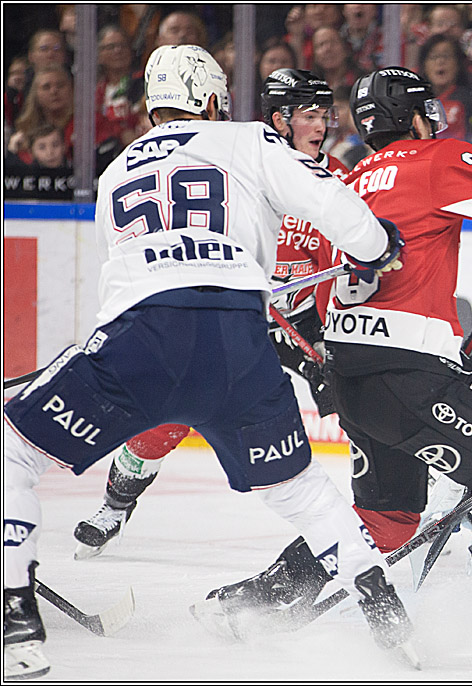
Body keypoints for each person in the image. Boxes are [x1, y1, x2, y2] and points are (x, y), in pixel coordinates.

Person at [2, 46, 413, 681]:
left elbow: (132, 272)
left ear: (149, 104)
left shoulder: (113, 173)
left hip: (141, 338)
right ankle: (392, 625)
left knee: (12, 449)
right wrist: (378, 244)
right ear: (216, 101)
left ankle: (16, 619)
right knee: (303, 491)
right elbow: (335, 210)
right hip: (236, 344)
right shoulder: (249, 141)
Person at [205, 66, 472, 654]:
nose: (435, 121)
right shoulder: (431, 161)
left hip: (354, 380)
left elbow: (327, 294)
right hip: (406, 379)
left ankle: (255, 600)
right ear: (410, 115)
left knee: (388, 518)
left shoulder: (349, 181)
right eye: (428, 111)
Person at [70, 68, 354, 560]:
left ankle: (386, 507)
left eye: (324, 115)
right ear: (279, 120)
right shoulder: (242, 160)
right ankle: (116, 504)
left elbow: (342, 266)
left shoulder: (337, 182)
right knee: (168, 415)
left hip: (306, 322)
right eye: (309, 115)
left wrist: (329, 344)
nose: (320, 126)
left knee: (359, 398)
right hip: (235, 316)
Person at [420, 34, 472, 151]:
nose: (440, 62)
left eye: (446, 56)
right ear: (424, 65)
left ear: (458, 64)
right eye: (433, 57)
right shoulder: (416, 101)